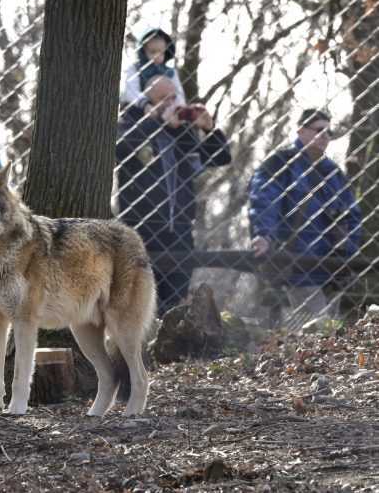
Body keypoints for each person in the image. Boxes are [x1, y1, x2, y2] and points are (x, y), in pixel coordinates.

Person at [115, 74, 231, 315]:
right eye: (161, 100)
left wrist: (210, 130)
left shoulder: (182, 131)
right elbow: (122, 147)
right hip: (141, 229)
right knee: (139, 302)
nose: (170, 105)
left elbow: (220, 158)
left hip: (179, 229)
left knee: (175, 301)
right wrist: (156, 121)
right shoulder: (131, 121)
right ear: (146, 100)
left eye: (173, 98)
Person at [249, 109, 362, 324]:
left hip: (331, 267)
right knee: (317, 329)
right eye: (319, 130)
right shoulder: (279, 163)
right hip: (295, 264)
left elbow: (352, 215)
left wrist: (347, 253)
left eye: (329, 132)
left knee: (328, 330)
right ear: (301, 130)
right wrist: (264, 233)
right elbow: (264, 200)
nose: (325, 137)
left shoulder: (332, 172)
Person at [120, 28, 186, 109]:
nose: (157, 56)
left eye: (161, 52)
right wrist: (145, 104)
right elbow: (130, 91)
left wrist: (179, 108)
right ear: (143, 52)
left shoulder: (170, 72)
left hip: (166, 110)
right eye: (153, 52)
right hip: (140, 108)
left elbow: (179, 94)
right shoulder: (135, 69)